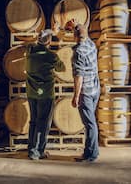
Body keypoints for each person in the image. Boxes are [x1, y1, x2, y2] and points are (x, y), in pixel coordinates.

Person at [25, 29, 65, 160]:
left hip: (31, 93)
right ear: (49, 41)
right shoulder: (51, 56)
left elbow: (30, 43)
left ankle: (31, 149)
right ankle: (38, 152)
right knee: (43, 123)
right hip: (46, 94)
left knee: (33, 121)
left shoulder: (30, 52)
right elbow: (62, 68)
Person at [70, 21, 100, 162]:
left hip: (86, 92)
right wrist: (77, 25)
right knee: (90, 122)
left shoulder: (78, 53)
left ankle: (92, 154)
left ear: (75, 36)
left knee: (90, 124)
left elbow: (79, 77)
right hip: (95, 89)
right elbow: (83, 34)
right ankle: (88, 153)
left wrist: (76, 96)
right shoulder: (91, 45)